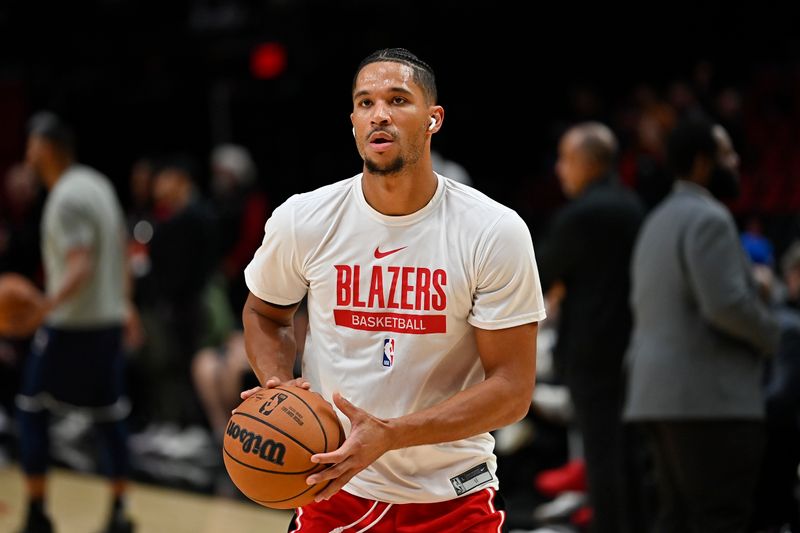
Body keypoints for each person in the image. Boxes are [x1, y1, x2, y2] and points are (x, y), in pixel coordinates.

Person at [241, 47, 546, 532]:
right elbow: (265, 313)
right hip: (334, 489)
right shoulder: (304, 219)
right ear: (353, 120)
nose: (379, 114)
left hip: (453, 496)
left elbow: (512, 390)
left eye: (398, 99)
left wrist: (390, 436)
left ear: (434, 119)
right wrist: (278, 385)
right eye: (365, 103)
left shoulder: (493, 231)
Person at [624, 116, 780, 533]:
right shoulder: (708, 218)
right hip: (708, 401)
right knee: (720, 518)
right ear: (700, 163)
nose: (736, 160)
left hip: (656, 396)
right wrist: (773, 335)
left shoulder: (656, 220)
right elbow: (725, 305)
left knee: (676, 519)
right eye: (726, 153)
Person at [13, 111, 136, 533]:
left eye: (30, 144)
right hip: (105, 324)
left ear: (45, 148)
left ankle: (35, 512)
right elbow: (119, 249)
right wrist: (126, 306)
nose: (26, 153)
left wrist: (44, 306)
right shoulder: (97, 183)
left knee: (30, 411)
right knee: (110, 419)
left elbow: (80, 264)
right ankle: (120, 511)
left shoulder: (65, 196)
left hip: (68, 328)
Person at [537, 122, 646, 533]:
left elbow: (539, 276)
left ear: (587, 162)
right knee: (626, 456)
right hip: (631, 346)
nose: (560, 170)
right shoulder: (632, 206)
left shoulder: (581, 215)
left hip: (591, 351)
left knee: (601, 459)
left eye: (565, 161)